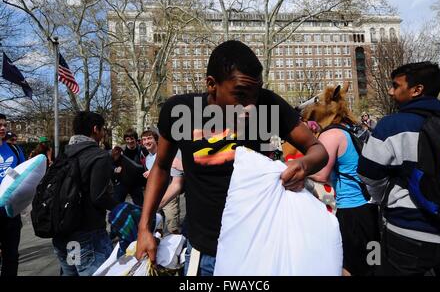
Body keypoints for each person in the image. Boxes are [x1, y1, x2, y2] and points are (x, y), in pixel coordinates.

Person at [135, 40, 328, 276]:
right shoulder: (178, 111)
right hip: (203, 253)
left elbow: (318, 149)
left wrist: (303, 164)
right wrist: (144, 227)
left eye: (255, 95)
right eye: (240, 95)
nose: (250, 106)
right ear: (211, 85)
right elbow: (161, 167)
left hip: (257, 251)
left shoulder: (268, 104)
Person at [358, 62, 440, 276]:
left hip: (406, 233)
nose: (390, 91)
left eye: (395, 85)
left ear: (417, 90)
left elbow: (368, 173)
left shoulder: (392, 125)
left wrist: (383, 197)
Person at [304, 83, 379, 276]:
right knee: (372, 262)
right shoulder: (352, 129)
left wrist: (295, 167)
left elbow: (321, 174)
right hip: (370, 209)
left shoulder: (331, 134)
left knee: (348, 267)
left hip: (350, 211)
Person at [52, 111, 119, 276]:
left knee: (71, 272)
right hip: (88, 235)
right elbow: (99, 196)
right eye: (103, 129)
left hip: (63, 233)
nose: (103, 134)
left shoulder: (63, 154)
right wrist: (121, 207)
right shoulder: (98, 156)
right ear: (95, 129)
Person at [141, 130, 184, 234]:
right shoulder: (147, 159)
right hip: (155, 194)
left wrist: (152, 172)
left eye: (149, 138)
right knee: (157, 225)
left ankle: (176, 245)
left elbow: (174, 169)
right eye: (144, 139)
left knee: (172, 226)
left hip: (169, 191)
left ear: (156, 140)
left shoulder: (165, 153)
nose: (147, 141)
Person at [0, 116, 25, 276]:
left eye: (4, 125)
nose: (2, 128)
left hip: (10, 212)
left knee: (11, 256)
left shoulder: (15, 150)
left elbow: (23, 175)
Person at [113, 129, 148, 206]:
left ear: (135, 139)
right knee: (116, 206)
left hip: (136, 183)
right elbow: (112, 163)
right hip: (123, 182)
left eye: (132, 138)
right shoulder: (120, 150)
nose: (130, 141)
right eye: (127, 139)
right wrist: (115, 169)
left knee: (141, 206)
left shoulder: (142, 151)